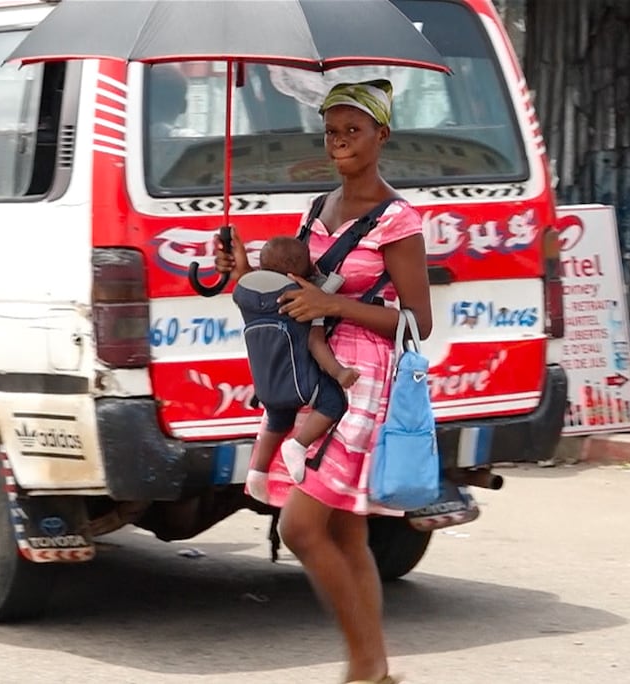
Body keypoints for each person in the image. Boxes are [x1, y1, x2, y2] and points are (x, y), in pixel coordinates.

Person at [214, 78, 430, 684]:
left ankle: (365, 667)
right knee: (345, 529)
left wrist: (332, 309)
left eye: (353, 131)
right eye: (332, 131)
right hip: (313, 370)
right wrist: (245, 267)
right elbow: (299, 289)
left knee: (301, 525)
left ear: (382, 135)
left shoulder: (398, 220)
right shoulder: (317, 211)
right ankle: (375, 668)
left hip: (359, 378)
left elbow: (419, 322)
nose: (339, 143)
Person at [241, 236, 361, 504]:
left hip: (267, 383)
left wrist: (242, 265)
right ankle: (298, 444)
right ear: (297, 273)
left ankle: (258, 471)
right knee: (332, 402)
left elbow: (248, 278)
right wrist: (339, 373)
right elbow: (315, 343)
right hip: (300, 382)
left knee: (277, 421)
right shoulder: (306, 301)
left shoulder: (248, 296)